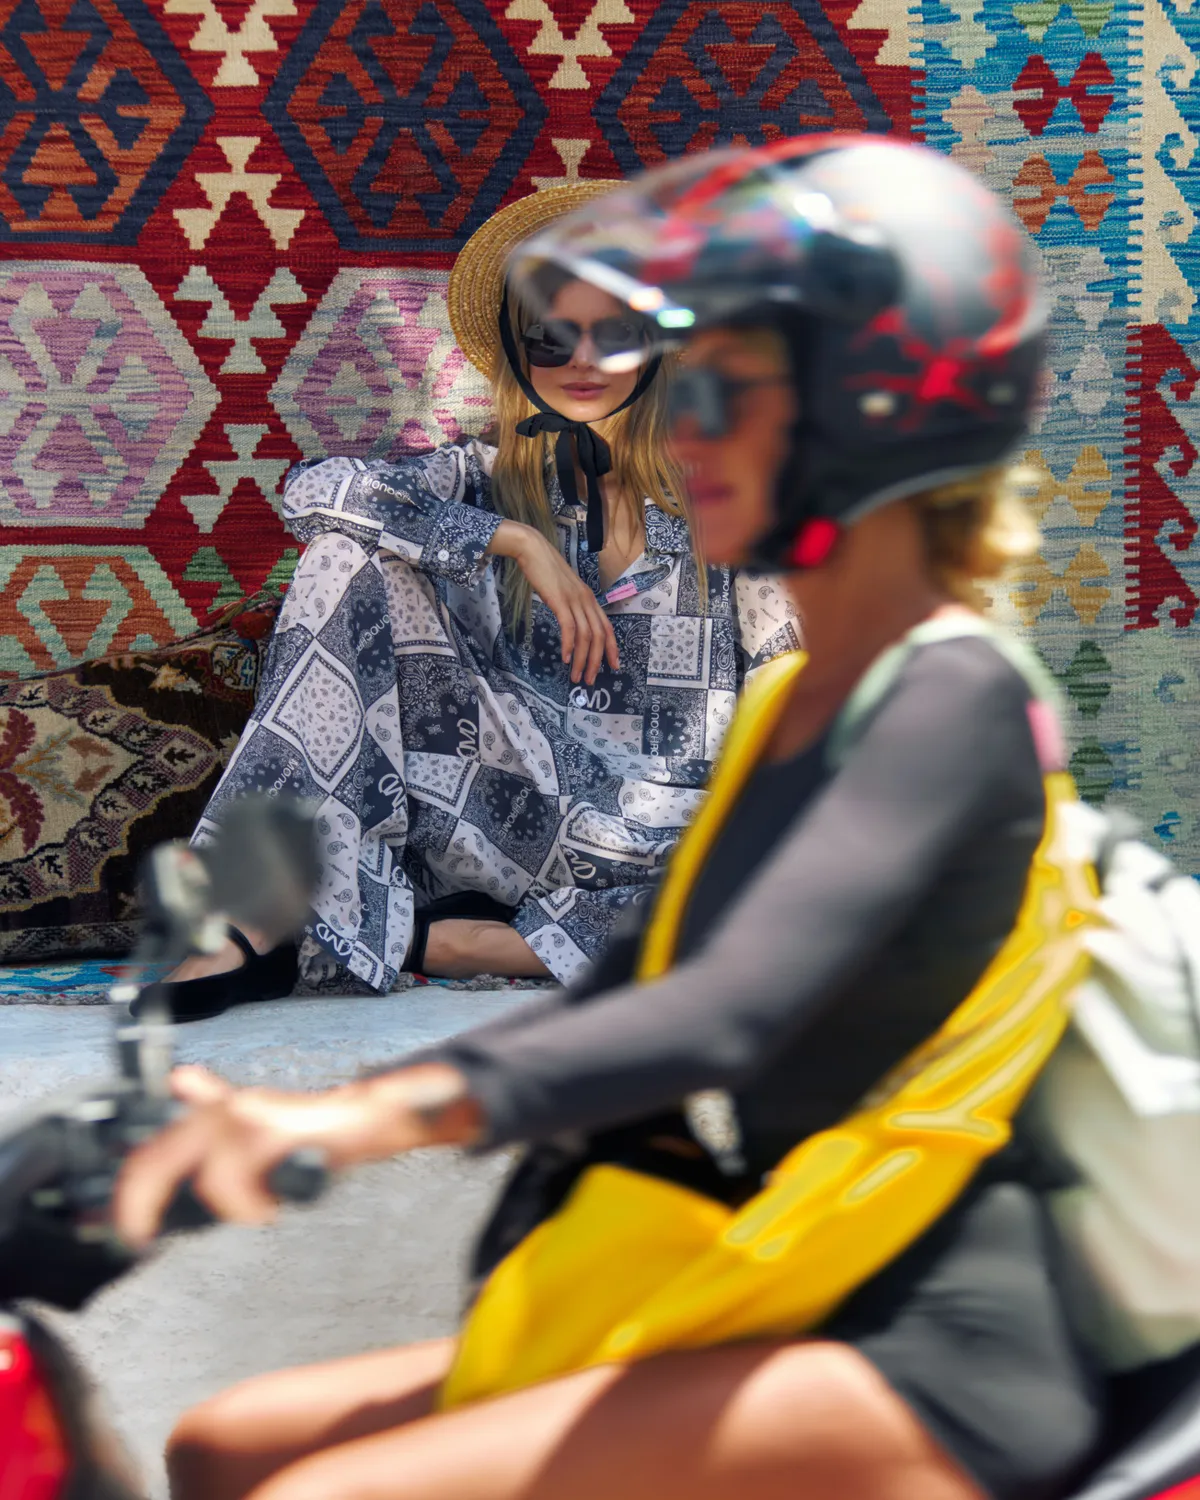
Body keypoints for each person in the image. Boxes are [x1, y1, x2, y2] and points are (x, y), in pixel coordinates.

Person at [117, 137, 1104, 1500]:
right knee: (220, 1442)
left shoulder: (940, 700)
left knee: (310, 1486)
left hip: (921, 1315)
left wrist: (354, 1121)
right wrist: (510, 539)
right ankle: (315, 923)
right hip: (741, 1242)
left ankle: (416, 938)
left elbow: (719, 1002)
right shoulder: (817, 679)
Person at [162, 182, 798, 1020]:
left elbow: (794, 684)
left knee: (831, 894)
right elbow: (317, 491)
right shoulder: (479, 479)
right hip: (499, 811)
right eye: (551, 339)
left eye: (616, 334)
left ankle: (455, 942)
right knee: (345, 552)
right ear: (516, 353)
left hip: (666, 847)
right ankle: (248, 916)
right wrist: (517, 541)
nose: (583, 361)